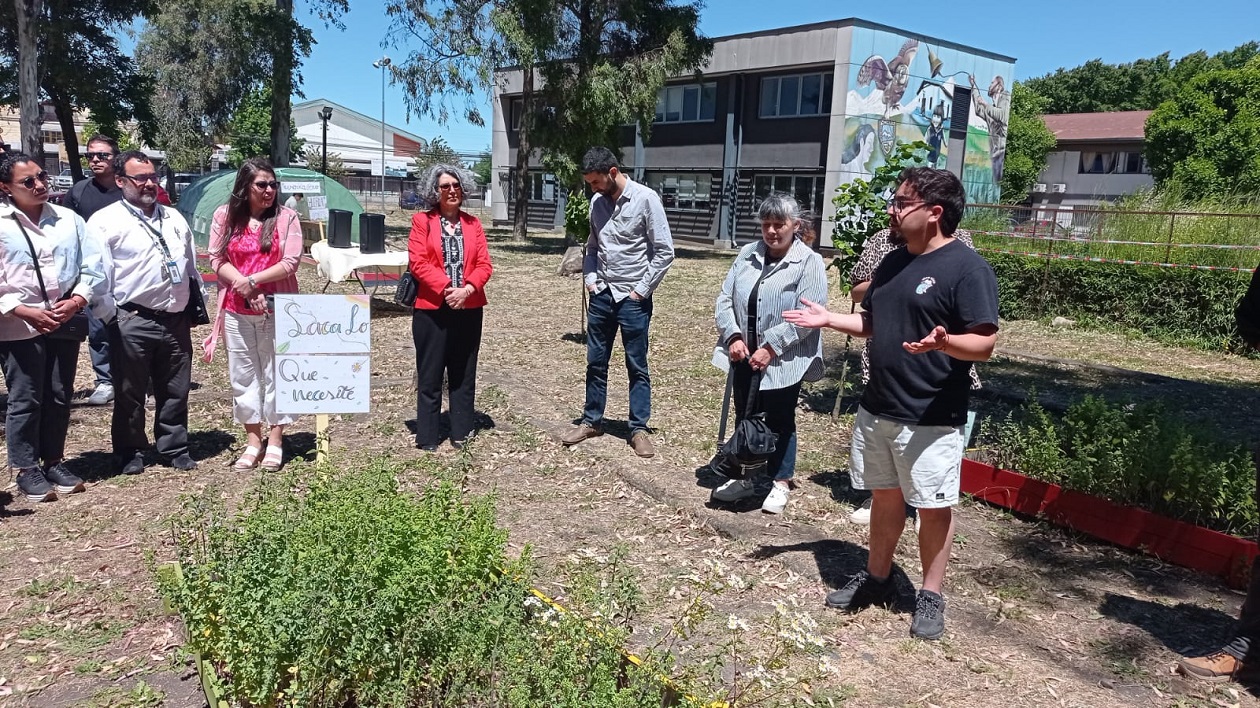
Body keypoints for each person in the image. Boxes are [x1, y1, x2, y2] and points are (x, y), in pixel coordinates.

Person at [784, 167, 999, 640]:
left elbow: (983, 344)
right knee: (885, 497)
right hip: (877, 405)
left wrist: (945, 343)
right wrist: (829, 319)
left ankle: (931, 594)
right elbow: (873, 323)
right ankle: (878, 578)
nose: (892, 209)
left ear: (935, 212)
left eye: (902, 202)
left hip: (930, 413)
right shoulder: (895, 261)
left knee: (933, 505)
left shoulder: (968, 268)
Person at [847, 227, 981, 526]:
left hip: (937, 364)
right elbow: (856, 290)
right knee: (888, 438)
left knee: (929, 453)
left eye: (904, 202)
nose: (895, 209)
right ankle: (885, 498)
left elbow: (974, 322)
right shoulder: (884, 241)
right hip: (888, 350)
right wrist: (893, 287)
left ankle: (926, 504)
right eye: (895, 201)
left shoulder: (961, 246)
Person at [709, 193, 827, 514]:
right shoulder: (748, 254)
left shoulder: (809, 262)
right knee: (745, 415)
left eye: (779, 224)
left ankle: (780, 481)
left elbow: (808, 316)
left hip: (784, 358)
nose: (772, 231)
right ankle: (744, 474)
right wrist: (733, 335)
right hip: (743, 354)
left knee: (778, 419)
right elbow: (724, 298)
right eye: (766, 224)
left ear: (795, 225)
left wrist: (771, 347)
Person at [89, 150, 205, 476]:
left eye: (153, 176)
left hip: (175, 318)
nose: (149, 183)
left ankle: (174, 447)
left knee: (175, 388)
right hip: (132, 318)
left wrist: (193, 304)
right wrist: (112, 316)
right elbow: (97, 276)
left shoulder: (173, 217)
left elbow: (190, 265)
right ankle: (129, 451)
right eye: (141, 178)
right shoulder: (105, 221)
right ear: (121, 181)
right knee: (130, 391)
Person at [0, 153, 102, 502]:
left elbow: (92, 266)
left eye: (41, 176)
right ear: (5, 188)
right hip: (17, 326)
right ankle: (27, 469)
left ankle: (54, 460)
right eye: (28, 182)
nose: (40, 184)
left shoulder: (69, 220)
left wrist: (77, 300)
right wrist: (24, 311)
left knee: (59, 394)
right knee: (25, 397)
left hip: (62, 321)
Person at [562, 147, 675, 458]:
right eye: (589, 183)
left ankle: (638, 428)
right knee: (595, 362)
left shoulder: (646, 199)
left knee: (636, 364)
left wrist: (640, 291)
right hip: (602, 297)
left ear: (612, 172)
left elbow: (665, 251)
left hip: (633, 300)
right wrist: (591, 280)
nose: (593, 189)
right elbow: (593, 246)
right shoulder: (597, 203)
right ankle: (592, 421)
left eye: (596, 182)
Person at [208, 158, 302, 471]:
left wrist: (253, 282)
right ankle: (253, 441)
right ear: (245, 187)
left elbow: (290, 262)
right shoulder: (225, 216)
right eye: (262, 184)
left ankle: (275, 440)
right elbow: (216, 258)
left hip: (278, 308)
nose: (269, 190)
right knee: (243, 376)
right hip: (236, 310)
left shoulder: (287, 217)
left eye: (273, 184)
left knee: (277, 373)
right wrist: (243, 287)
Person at [406, 164, 493, 451]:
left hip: (468, 307)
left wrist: (466, 290)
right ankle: (428, 437)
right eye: (445, 186)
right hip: (432, 309)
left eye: (456, 185)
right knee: (430, 375)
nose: (452, 190)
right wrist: (446, 290)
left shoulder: (474, 224)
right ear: (435, 191)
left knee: (463, 374)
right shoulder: (422, 222)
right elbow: (418, 263)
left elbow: (484, 265)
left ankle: (462, 433)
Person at [65, 134, 122, 406]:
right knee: (98, 328)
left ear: (116, 158)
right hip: (92, 272)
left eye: (102, 155)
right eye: (90, 156)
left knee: (130, 328)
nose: (96, 160)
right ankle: (105, 381)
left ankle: (133, 379)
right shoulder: (78, 192)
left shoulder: (129, 189)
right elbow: (67, 232)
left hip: (126, 272)